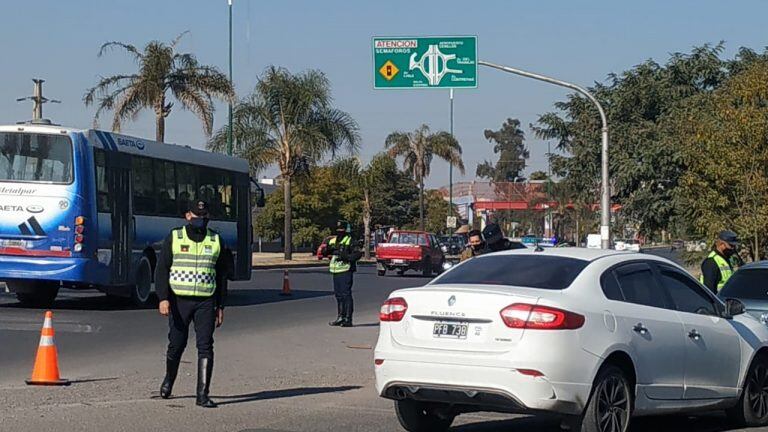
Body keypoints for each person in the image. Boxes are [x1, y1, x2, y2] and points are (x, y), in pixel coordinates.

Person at [156, 200, 228, 408]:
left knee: (205, 346)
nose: (201, 220)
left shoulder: (216, 240)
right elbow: (162, 270)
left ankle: (202, 395)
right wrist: (163, 298)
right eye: (197, 216)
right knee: (176, 345)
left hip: (206, 301)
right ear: (188, 216)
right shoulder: (175, 237)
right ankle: (169, 380)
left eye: (204, 217)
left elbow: (222, 275)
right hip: (179, 300)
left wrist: (221, 306)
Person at [324, 221, 362, 327]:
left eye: (341, 229)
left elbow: (357, 254)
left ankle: (348, 319)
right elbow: (325, 251)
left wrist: (345, 257)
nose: (339, 231)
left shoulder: (351, 240)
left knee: (346, 295)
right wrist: (326, 251)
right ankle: (340, 317)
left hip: (346, 270)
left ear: (346, 230)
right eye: (338, 229)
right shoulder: (333, 240)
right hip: (335, 270)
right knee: (338, 296)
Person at [700, 230, 740, 295]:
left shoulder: (726, 259)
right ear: (721, 244)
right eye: (731, 246)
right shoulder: (711, 262)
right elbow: (709, 290)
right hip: (717, 302)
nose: (733, 248)